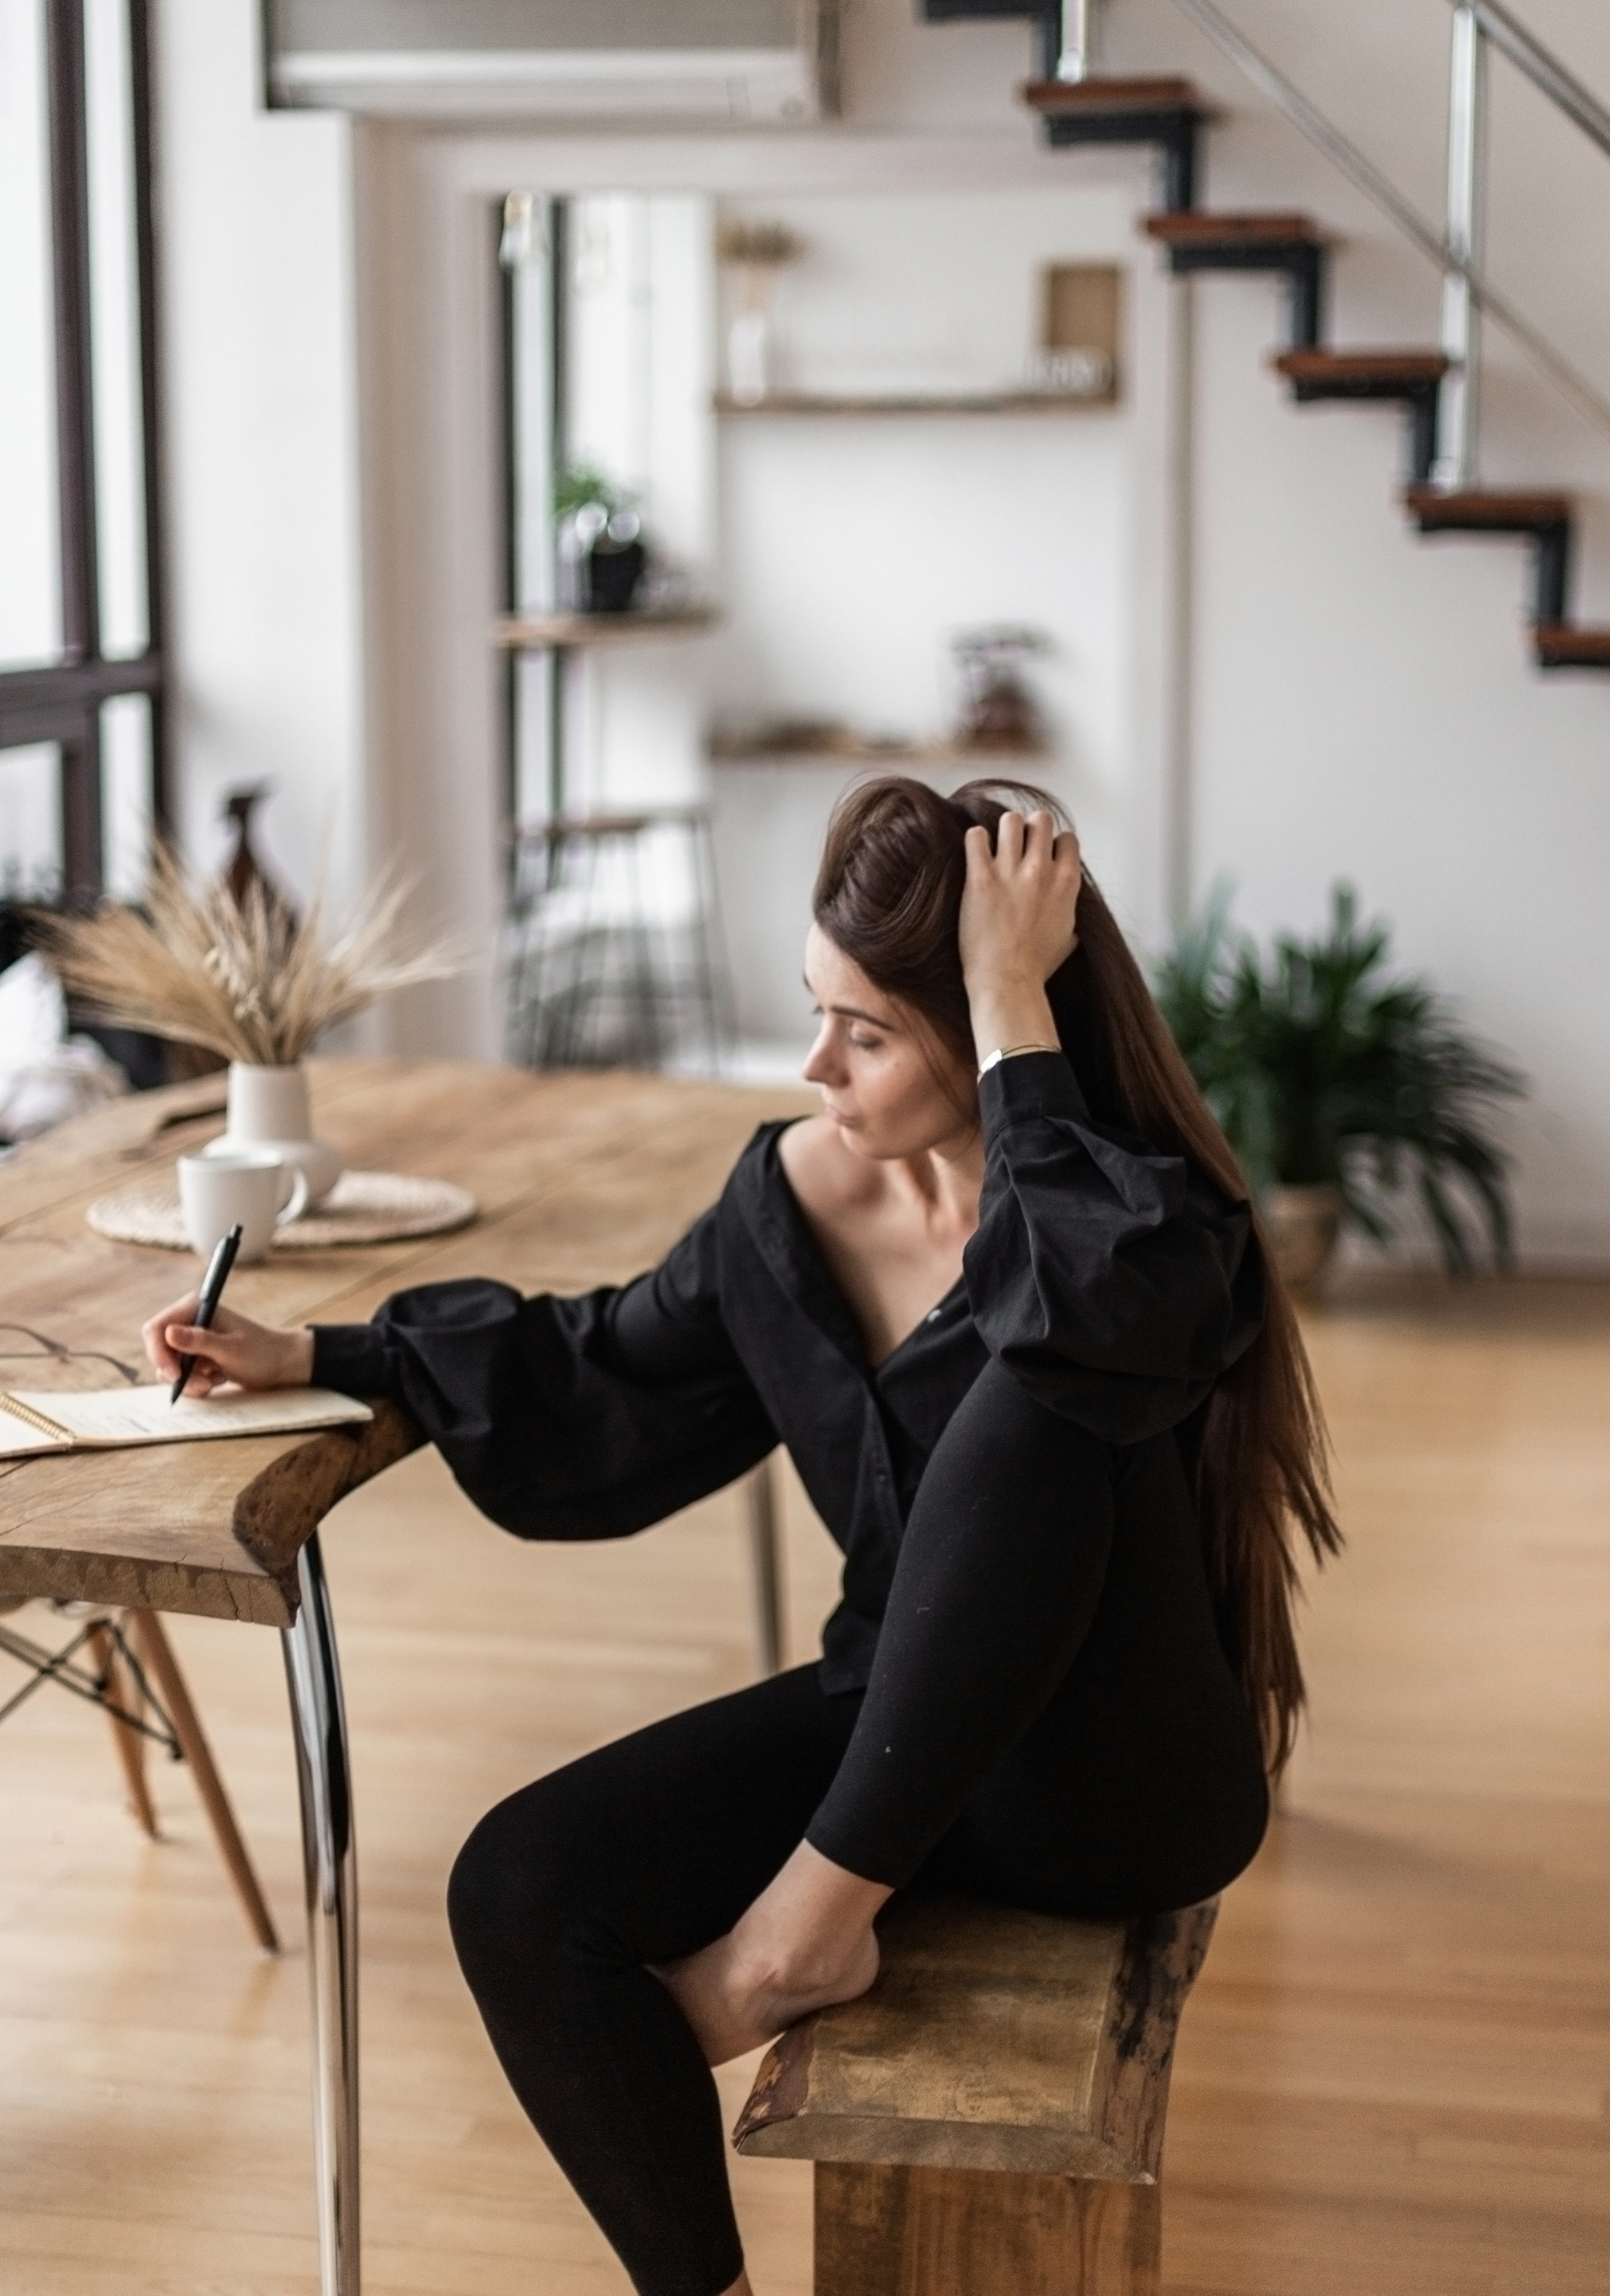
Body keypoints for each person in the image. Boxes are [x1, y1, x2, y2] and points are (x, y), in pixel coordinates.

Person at [143, 780, 1339, 2296]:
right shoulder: (796, 1196)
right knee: (517, 1884)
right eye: (811, 1010)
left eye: (868, 1031)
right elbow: (603, 1365)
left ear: (986, 1023)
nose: (812, 1064)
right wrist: (316, 1347)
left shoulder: (1142, 1224)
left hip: (1103, 1784)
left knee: (1033, 1396)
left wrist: (1005, 1002)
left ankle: (797, 1939)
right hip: (896, 1739)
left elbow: (1068, 1316)